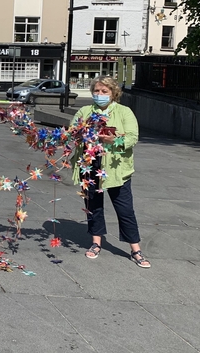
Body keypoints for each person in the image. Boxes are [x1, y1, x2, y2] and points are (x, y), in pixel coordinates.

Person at [70, 75, 150, 268]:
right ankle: (96, 243)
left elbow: (132, 138)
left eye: (104, 91)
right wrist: (80, 135)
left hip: (115, 168)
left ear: (113, 93)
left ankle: (135, 249)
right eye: (96, 91)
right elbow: (72, 132)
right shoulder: (85, 110)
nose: (100, 94)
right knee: (94, 206)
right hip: (90, 165)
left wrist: (113, 140)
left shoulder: (124, 112)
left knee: (125, 209)